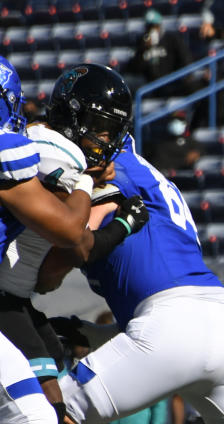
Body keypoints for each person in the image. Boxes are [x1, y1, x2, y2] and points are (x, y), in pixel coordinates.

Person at [44, 126, 224, 422]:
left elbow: (50, 273)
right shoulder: (148, 177)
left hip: (169, 328)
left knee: (46, 413)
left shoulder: (103, 175)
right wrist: (96, 335)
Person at [0, 65, 148, 417]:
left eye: (112, 131)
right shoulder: (51, 149)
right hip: (6, 299)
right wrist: (122, 224)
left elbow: (49, 276)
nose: (106, 139)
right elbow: (74, 238)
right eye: (100, 127)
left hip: (18, 299)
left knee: (55, 402)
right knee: (42, 407)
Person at [125, 9, 194, 95]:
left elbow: (185, 57)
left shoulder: (171, 39)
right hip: (148, 82)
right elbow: (134, 68)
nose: (151, 30)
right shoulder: (141, 43)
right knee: (127, 82)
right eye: (149, 27)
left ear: (159, 26)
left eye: (154, 26)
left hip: (169, 79)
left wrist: (186, 74)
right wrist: (142, 49)